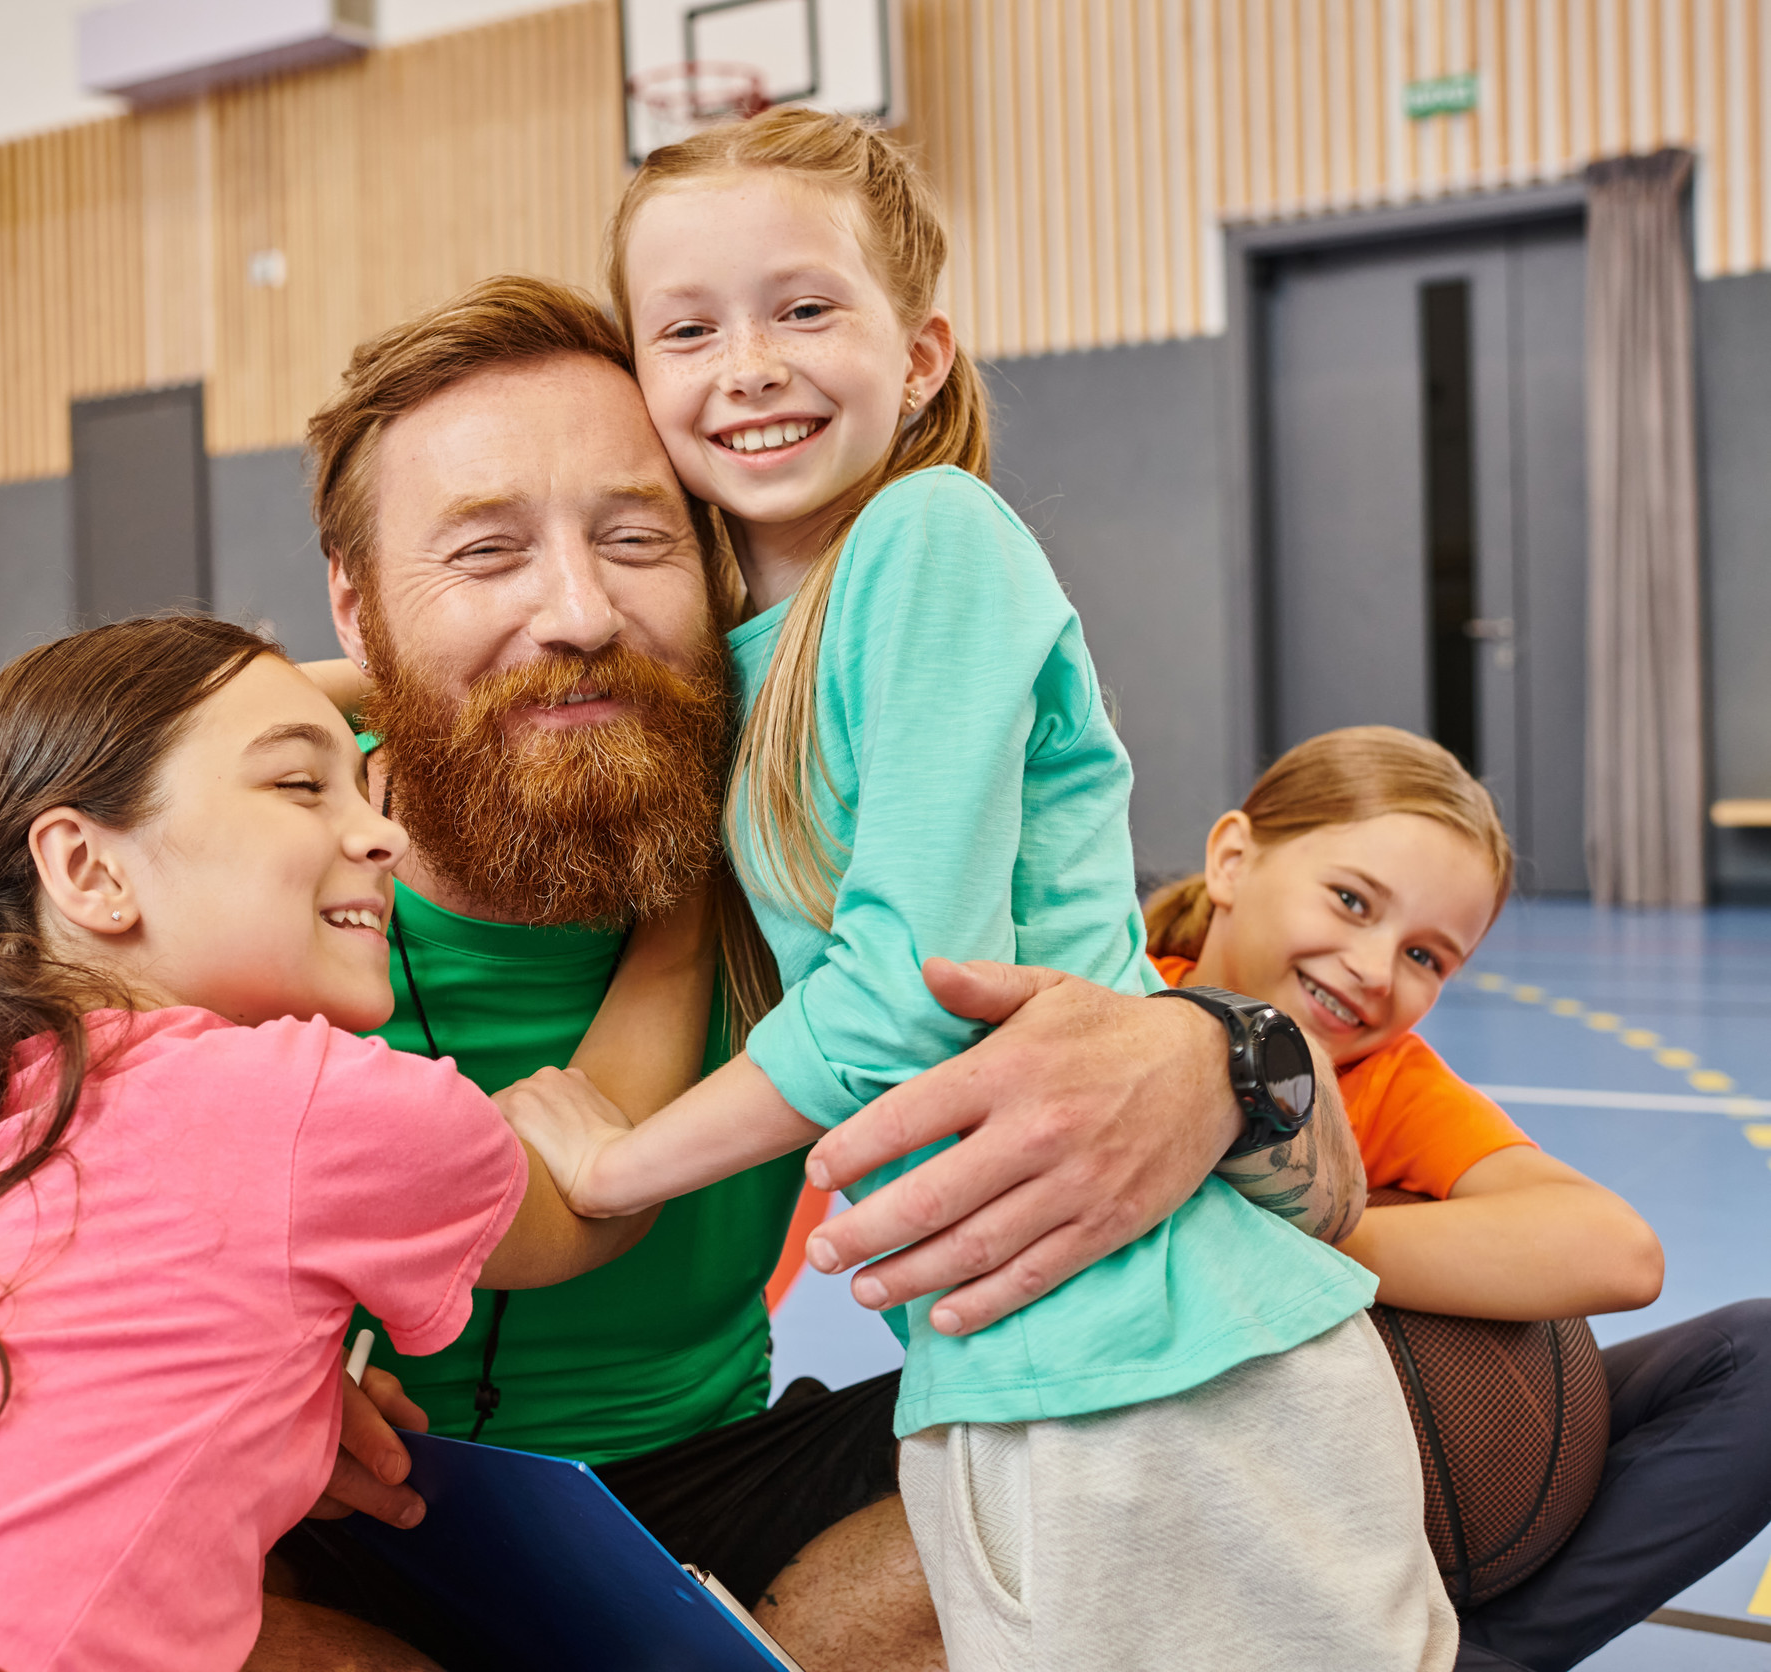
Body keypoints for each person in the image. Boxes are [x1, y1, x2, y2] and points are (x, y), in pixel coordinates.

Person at [265, 268, 1371, 1669]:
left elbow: (1326, 1201)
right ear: (357, 612)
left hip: (716, 1494)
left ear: (722, 570)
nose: (580, 613)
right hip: (328, 1517)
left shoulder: (813, 853)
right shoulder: (239, 890)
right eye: (486, 554)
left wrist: (1220, 1063)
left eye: (638, 538)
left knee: (1370, 1390)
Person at [509, 109, 1453, 1671]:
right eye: (690, 328)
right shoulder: (757, 644)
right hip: (1003, 1350)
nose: (747, 364)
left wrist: (619, 1172)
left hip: (1155, 1346)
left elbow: (906, 991)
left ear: (924, 351)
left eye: (805, 308)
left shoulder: (931, 542)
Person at [0, 617, 673, 1672]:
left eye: (359, 784)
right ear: (86, 866)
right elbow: (597, 1198)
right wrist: (694, 861)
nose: (384, 833)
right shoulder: (299, 1106)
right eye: (303, 787)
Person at [1145, 724, 1771, 1672]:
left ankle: (1473, 1658)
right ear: (1233, 859)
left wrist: (1312, 1231)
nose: (1372, 968)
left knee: (1760, 1358)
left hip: (1378, 1461)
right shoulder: (1124, 1012)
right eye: (1351, 901)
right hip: (1188, 1475)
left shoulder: (1383, 1077)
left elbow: (1617, 1252)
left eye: (1427, 957)